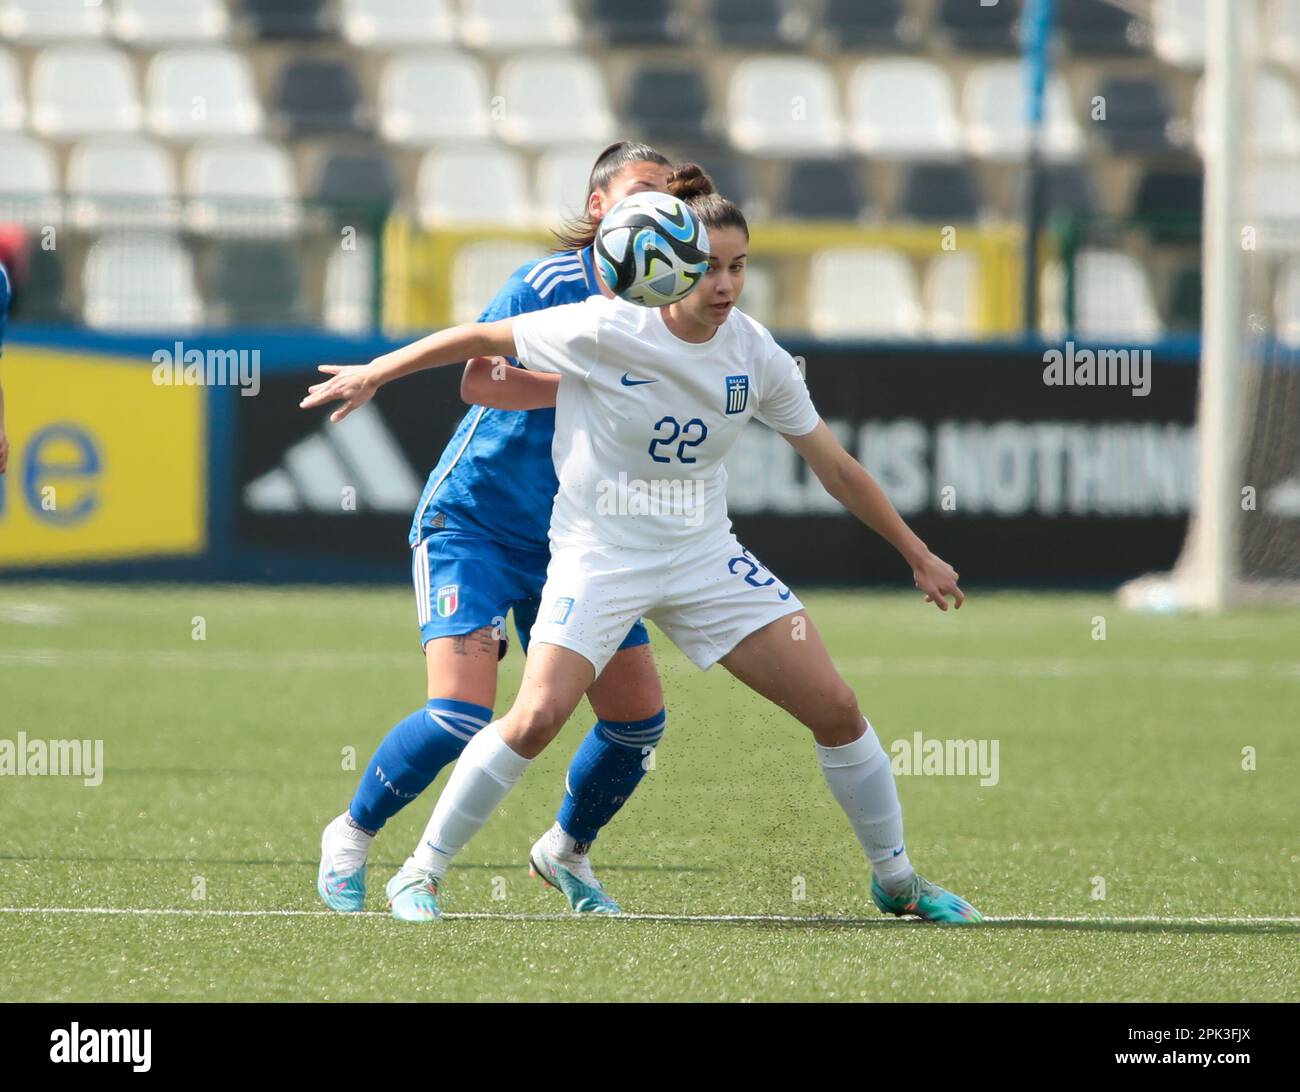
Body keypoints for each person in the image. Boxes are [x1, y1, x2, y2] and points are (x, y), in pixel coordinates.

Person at [302, 166, 983, 925]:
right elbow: (479, 343)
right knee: (533, 719)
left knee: (837, 708)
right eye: (709, 266)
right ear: (670, 264)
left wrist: (916, 552)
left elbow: (835, 465)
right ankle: (420, 873)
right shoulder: (605, 327)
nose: (725, 284)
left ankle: (897, 880)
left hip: (703, 558)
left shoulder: (756, 355)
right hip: (599, 555)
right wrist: (376, 371)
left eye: (739, 266)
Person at [314, 143, 681, 916]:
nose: (657, 208)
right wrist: (589, 383)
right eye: (641, 191)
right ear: (598, 207)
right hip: (475, 522)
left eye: (669, 196)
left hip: (579, 543)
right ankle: (350, 835)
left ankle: (566, 854)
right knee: (458, 716)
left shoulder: (667, 312)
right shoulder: (548, 283)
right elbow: (480, 378)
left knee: (637, 723)